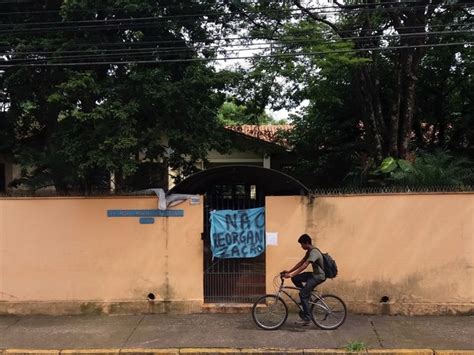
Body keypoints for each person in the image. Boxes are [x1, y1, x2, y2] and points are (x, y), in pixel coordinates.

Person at [282, 234, 326, 325]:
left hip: (318, 277)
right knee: (296, 278)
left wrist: (290, 275)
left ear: (306, 243)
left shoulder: (314, 252)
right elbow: (301, 262)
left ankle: (307, 317)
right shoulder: (309, 251)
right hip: (314, 274)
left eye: (301, 244)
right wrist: (290, 272)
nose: (301, 246)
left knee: (302, 294)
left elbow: (305, 265)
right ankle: (307, 296)